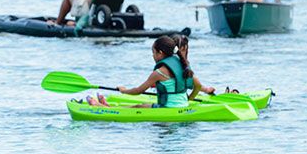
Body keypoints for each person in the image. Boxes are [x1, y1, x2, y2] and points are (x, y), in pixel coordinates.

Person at [82, 35, 218, 108]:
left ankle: (105, 109)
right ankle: (107, 106)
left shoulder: (159, 73)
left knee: (138, 106)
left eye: (153, 52)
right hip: (181, 106)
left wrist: (123, 90)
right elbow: (198, 85)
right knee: (141, 105)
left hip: (167, 109)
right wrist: (189, 100)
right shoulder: (183, 65)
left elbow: (138, 91)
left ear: (160, 53)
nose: (152, 56)